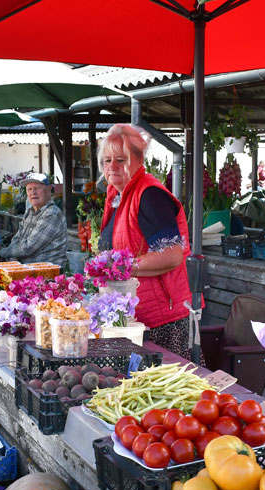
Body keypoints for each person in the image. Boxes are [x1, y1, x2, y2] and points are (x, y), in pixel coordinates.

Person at [97, 124, 195, 360]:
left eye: (121, 159)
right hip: (136, 315)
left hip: (163, 320)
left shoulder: (150, 195)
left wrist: (119, 267)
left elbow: (172, 254)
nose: (112, 167)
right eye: (107, 160)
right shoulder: (119, 196)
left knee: (166, 390)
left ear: (139, 160)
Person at [0, 172, 67, 265]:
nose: (33, 192)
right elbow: (17, 239)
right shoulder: (30, 211)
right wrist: (14, 259)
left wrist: (3, 253)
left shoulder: (52, 213)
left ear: (49, 190)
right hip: (27, 269)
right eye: (29, 189)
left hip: (46, 273)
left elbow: (28, 247)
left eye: (37, 188)